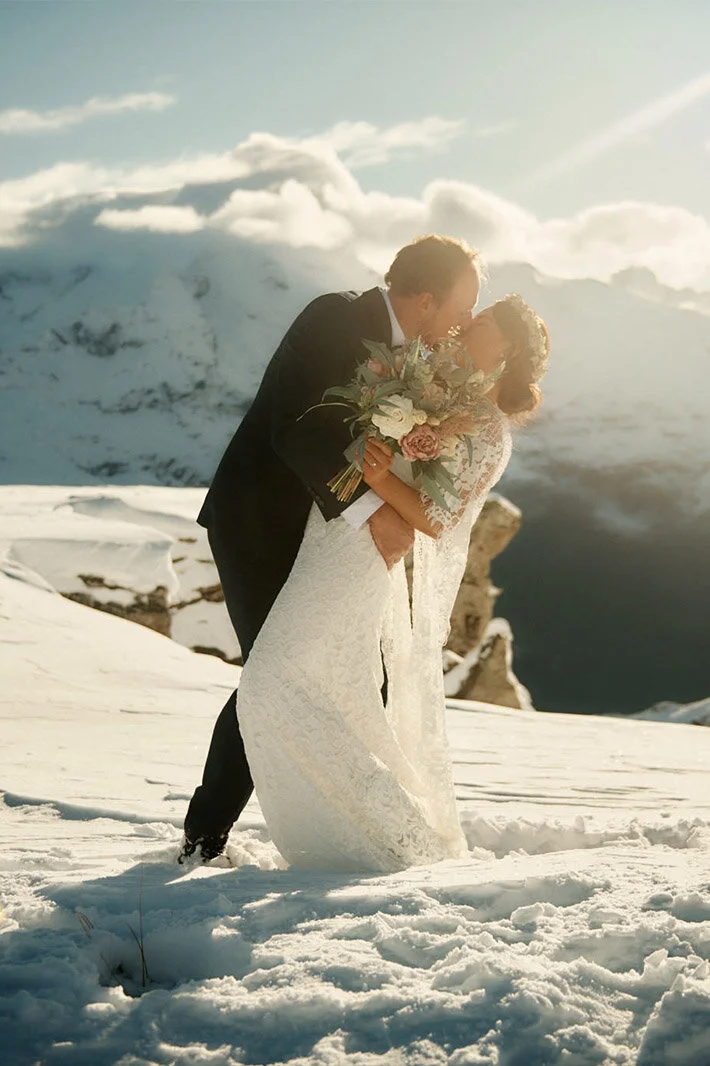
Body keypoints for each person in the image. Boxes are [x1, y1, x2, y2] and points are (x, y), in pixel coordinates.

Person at [179, 234, 483, 863]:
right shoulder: (334, 317)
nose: (466, 321)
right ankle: (203, 839)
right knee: (274, 675)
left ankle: (361, 830)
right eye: (463, 305)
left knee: (348, 675)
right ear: (425, 300)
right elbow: (297, 432)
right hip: (260, 526)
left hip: (325, 539)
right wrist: (375, 510)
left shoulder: (418, 356)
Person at [232, 293, 549, 872]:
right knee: (340, 694)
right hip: (322, 534)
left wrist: (377, 478)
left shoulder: (487, 430)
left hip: (359, 552)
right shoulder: (430, 385)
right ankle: (359, 834)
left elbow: (437, 517)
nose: (464, 324)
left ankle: (399, 835)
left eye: (479, 323)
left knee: (270, 681)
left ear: (502, 348)